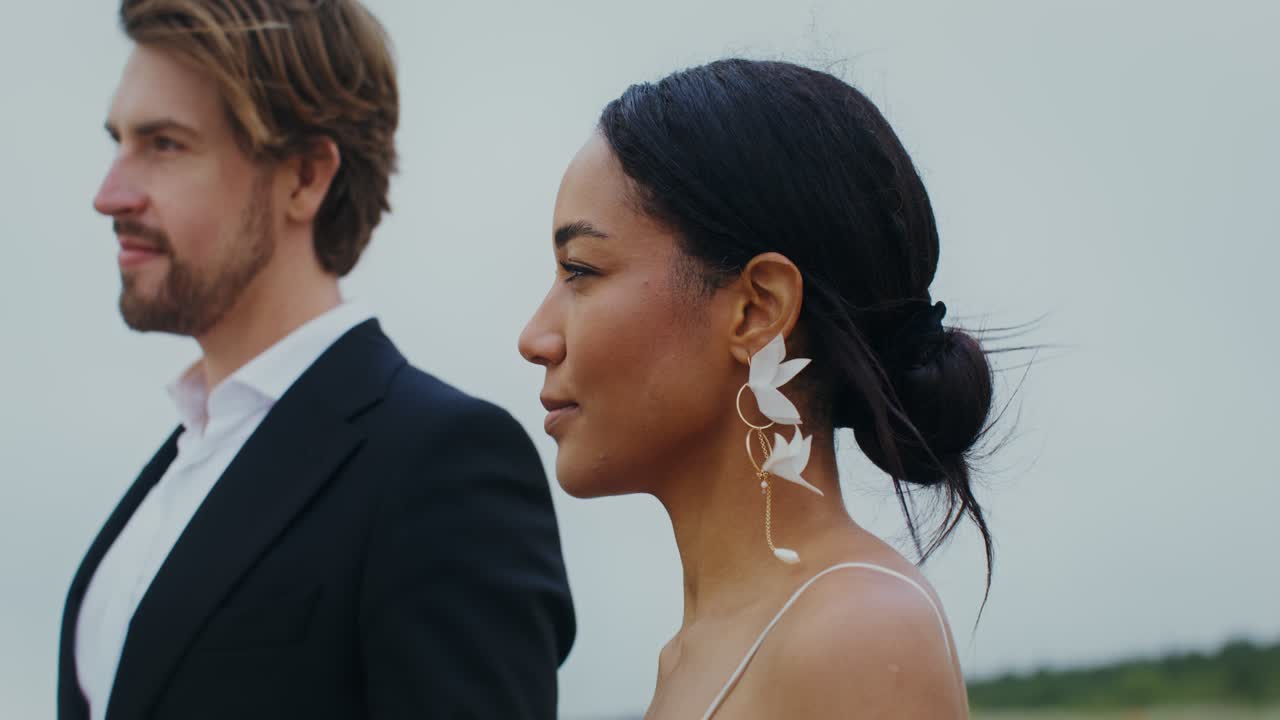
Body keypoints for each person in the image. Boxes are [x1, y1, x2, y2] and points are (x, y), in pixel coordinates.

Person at [58, 2, 574, 718]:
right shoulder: (174, 474)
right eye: (118, 140)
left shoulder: (443, 468)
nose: (108, 193)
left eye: (165, 144)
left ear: (303, 175)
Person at [520, 58, 995, 719]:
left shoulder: (854, 633)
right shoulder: (701, 651)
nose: (534, 337)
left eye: (580, 270)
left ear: (757, 310)